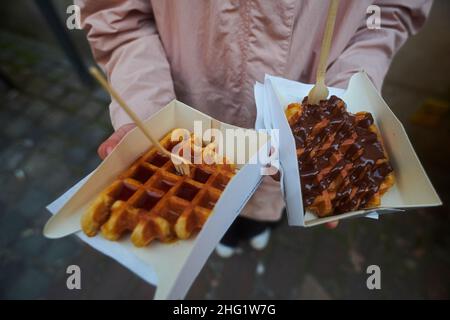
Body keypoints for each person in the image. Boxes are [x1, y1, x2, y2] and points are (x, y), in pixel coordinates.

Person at [76, 0, 432, 257]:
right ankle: (228, 240)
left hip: (294, 142)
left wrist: (342, 109)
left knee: (267, 212)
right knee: (213, 220)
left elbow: (388, 12)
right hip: (187, 118)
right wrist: (147, 113)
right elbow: (117, 15)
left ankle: (257, 230)